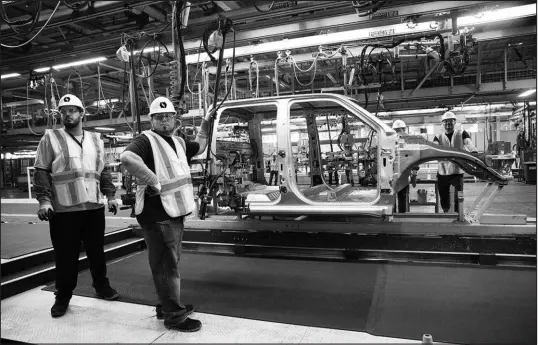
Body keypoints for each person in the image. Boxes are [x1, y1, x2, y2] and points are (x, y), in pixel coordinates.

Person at [120, 96, 213, 333]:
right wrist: (152, 180)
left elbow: (200, 147)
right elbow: (127, 158)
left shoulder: (179, 142)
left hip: (174, 212)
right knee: (165, 265)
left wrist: (206, 123)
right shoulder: (145, 140)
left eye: (168, 116)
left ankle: (167, 305)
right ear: (151, 120)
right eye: (158, 117)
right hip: (156, 213)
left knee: (170, 262)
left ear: (175, 119)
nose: (164, 120)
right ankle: (174, 316)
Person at [33, 94, 120, 318]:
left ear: (82, 113)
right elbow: (41, 170)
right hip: (63, 210)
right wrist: (44, 200)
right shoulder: (51, 138)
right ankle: (63, 296)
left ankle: (102, 286)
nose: (67, 114)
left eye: (72, 110)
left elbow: (103, 170)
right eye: (63, 111)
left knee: (97, 253)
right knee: (65, 256)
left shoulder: (95, 139)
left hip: (93, 208)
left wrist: (110, 196)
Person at [433, 111, 477, 213]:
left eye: (450, 122)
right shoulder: (438, 136)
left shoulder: (461, 133)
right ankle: (446, 212)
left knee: (459, 195)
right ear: (442, 123)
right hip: (443, 172)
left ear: (455, 122)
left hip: (457, 171)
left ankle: (458, 214)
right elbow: (434, 148)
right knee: (443, 195)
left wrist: (474, 153)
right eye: (445, 122)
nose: (448, 124)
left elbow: (469, 144)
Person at [392, 119, 419, 213]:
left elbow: (416, 159)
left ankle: (401, 219)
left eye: (401, 130)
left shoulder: (410, 141)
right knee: (392, 202)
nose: (399, 132)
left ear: (405, 129)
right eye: (397, 130)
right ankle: (393, 219)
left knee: (402, 200)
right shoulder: (390, 141)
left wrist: (414, 175)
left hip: (403, 177)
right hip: (392, 178)